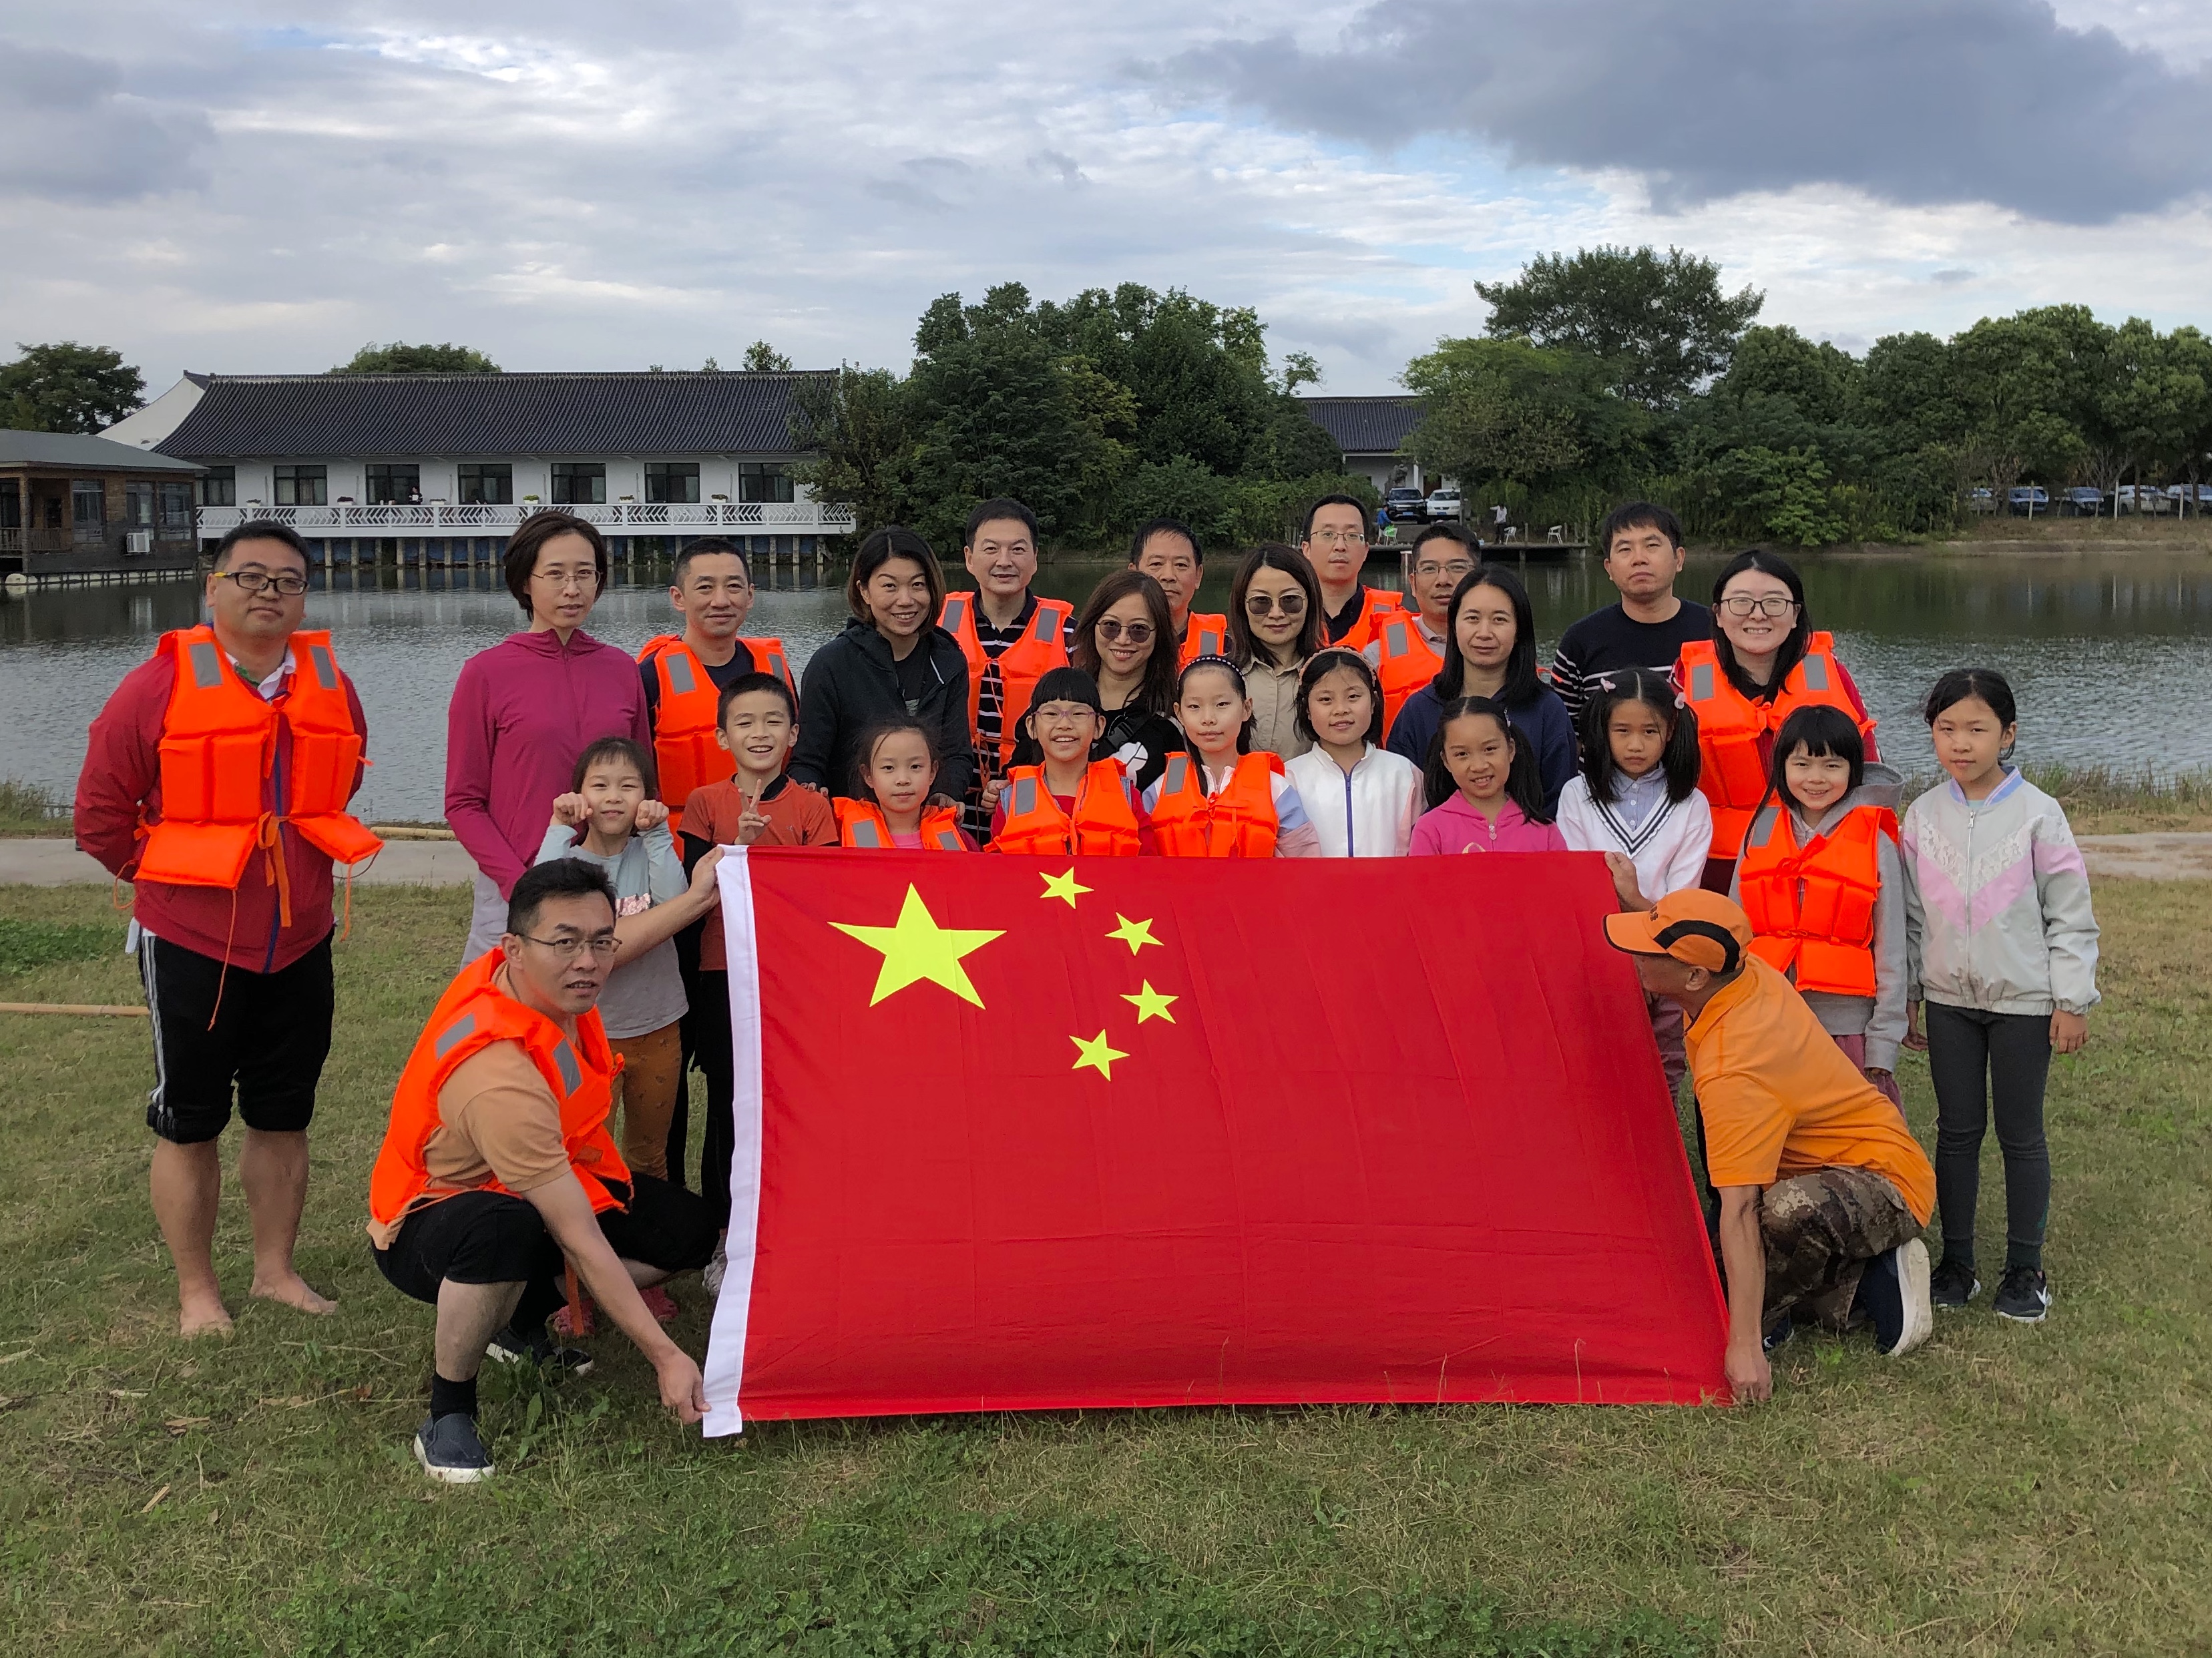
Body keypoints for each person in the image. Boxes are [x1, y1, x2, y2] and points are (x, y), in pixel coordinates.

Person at [75, 518, 378, 1338]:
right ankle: (197, 1291)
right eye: (250, 576)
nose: (269, 593)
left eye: (287, 581)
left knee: (284, 1112)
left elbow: (342, 780)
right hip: (193, 940)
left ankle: (276, 1272)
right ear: (214, 587)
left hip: (300, 935)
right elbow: (100, 814)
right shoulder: (156, 687)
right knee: (192, 1118)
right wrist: (172, 884)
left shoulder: (330, 684)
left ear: (304, 596)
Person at [368, 859, 717, 1482]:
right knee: (505, 1232)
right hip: (431, 1215)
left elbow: (608, 942)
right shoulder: (498, 1075)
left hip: (535, 1181)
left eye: (601, 942)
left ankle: (517, 1324)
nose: (588, 962)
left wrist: (696, 899)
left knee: (687, 1229)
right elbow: (578, 1235)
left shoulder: (546, 979)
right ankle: (449, 1412)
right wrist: (665, 1356)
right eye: (566, 943)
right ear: (515, 949)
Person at [1604, 889, 1936, 1404]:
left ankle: (1855, 1293)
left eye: (1648, 951)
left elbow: (1739, 1210)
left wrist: (1741, 1346)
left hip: (1885, 1182)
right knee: (1695, 1274)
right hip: (1821, 1166)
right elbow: (1697, 939)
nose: (1636, 957)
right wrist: (1635, 899)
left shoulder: (1736, 1065)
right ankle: (1850, 1280)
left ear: (1693, 978)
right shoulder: (1741, 969)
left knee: (1773, 1223)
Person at [1901, 669, 2099, 1324]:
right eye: (1945, 729)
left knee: (2020, 1134)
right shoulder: (1921, 816)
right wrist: (1910, 994)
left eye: (1976, 729)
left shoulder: (2039, 814)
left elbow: (2069, 915)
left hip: (2023, 1003)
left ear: (2006, 734)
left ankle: (2024, 1269)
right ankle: (1956, 1263)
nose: (1960, 743)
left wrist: (2070, 1000)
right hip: (1948, 1002)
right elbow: (1910, 917)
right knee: (1956, 1131)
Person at [532, 738, 725, 1321]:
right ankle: (577, 1282)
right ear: (579, 795)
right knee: (585, 1160)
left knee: (649, 1156)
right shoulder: (570, 861)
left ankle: (644, 1272)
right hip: (586, 1037)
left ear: (648, 797)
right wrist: (556, 827)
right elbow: (541, 898)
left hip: (658, 1027)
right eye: (599, 785)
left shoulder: (653, 852)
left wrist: (660, 832)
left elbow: (678, 902)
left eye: (628, 786)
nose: (613, 797)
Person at [675, 672, 835, 1291]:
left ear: (793, 733)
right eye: (744, 723)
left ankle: (791, 1222)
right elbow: (696, 894)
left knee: (790, 1100)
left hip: (790, 975)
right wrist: (734, 848)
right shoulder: (704, 803)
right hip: (723, 973)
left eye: (773, 722)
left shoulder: (811, 806)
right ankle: (725, 1233)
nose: (759, 733)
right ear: (722, 736)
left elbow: (819, 891)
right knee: (728, 1102)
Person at [447, 511, 653, 960]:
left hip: (612, 881)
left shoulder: (621, 669)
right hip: (516, 885)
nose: (572, 589)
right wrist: (517, 882)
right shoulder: (485, 673)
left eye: (585, 574)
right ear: (526, 581)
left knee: (610, 1001)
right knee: (506, 1001)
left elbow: (643, 780)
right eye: (556, 574)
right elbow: (463, 802)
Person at [1731, 708, 1907, 1111]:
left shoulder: (1875, 842)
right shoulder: (1759, 831)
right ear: (1781, 767)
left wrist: (1883, 1042)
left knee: (1856, 1133)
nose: (1815, 778)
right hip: (1769, 1021)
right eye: (1802, 764)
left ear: (1853, 769)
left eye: (1832, 765)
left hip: (1846, 1030)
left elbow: (1892, 950)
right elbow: (1734, 927)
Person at [1676, 549, 1877, 892]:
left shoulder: (1829, 673)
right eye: (1741, 602)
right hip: (1715, 863)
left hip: (1818, 855)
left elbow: (1869, 769)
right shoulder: (1687, 681)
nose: (1758, 615)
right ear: (1719, 614)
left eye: (1774, 602)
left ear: (1795, 614)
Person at [1554, 667, 1713, 1093]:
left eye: (1650, 731)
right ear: (1603, 731)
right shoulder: (1576, 795)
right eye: (1622, 731)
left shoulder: (1691, 805)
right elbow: (1578, 889)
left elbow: (1682, 902)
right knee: (1594, 1062)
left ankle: (1662, 1134)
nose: (1636, 745)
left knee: (1664, 1063)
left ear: (1671, 731)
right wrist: (1625, 959)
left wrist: (1635, 904)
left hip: (1667, 959)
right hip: (1597, 956)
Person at [791, 525, 973, 810]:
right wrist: (811, 796)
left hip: (925, 822)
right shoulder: (831, 665)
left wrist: (947, 793)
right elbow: (807, 762)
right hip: (853, 823)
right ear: (864, 591)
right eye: (890, 586)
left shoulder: (948, 660)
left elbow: (956, 753)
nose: (906, 600)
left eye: (918, 585)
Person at [634, 538, 792, 838]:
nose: (721, 601)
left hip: (768, 835)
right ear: (678, 598)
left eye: (733, 587)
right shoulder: (652, 675)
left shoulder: (774, 668)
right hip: (682, 842)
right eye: (705, 588)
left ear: (750, 595)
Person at [1387, 565, 1576, 813]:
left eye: (1499, 619)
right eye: (1472, 618)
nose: (1484, 633)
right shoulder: (1420, 710)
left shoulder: (1546, 710)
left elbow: (1561, 805)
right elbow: (1401, 806)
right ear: (1454, 626)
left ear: (1519, 630)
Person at [937, 499, 1072, 842]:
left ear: (1035, 559)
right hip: (948, 800)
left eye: (1018, 549)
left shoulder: (1069, 633)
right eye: (991, 549)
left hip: (1032, 798)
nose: (1004, 561)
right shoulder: (936, 626)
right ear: (969, 558)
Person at [1549, 503, 1713, 725]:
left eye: (1651, 545)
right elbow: (1566, 732)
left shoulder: (1714, 632)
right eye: (1625, 549)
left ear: (1679, 559)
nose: (1639, 559)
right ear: (1609, 568)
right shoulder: (1580, 642)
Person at [1142, 657, 1320, 856]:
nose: (1208, 718)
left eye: (1221, 704)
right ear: (1179, 714)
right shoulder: (1164, 786)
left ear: (1246, 708)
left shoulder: (1274, 787)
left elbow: (1306, 861)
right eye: (1194, 707)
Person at [989, 666, 1146, 856]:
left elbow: (1151, 867)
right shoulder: (1012, 799)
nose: (1064, 724)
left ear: (1099, 726)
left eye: (1078, 714)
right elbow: (995, 870)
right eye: (1051, 714)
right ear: (1032, 727)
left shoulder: (1127, 796)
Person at [1283, 649, 1422, 857]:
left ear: (1373, 702)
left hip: (1392, 879)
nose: (1341, 709)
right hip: (1313, 880)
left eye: (1353, 697)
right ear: (1307, 709)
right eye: (1326, 699)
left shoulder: (1403, 773)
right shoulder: (1288, 779)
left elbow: (1420, 850)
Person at [1069, 569, 1186, 792]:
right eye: (1111, 626)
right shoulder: (1057, 702)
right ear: (1093, 625)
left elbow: (1179, 795)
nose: (1123, 640)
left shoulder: (1175, 720)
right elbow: (1023, 775)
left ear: (1159, 635)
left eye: (1139, 630)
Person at [1407, 697, 1567, 856]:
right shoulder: (1430, 830)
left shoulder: (1545, 831)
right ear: (1446, 761)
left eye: (1489, 749)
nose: (1479, 766)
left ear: (1511, 750)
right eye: (1462, 754)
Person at [1365, 524, 1473, 742]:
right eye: (1429, 569)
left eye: (1457, 567)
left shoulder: (1502, 647)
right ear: (1413, 584)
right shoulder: (1380, 654)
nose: (1443, 580)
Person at [1227, 543, 1326, 760]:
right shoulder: (1219, 676)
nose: (1276, 613)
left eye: (1290, 600)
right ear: (1242, 605)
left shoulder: (1332, 675)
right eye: (1261, 602)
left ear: (1310, 601)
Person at [833, 717, 975, 849]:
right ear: (868, 775)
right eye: (889, 768)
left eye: (915, 767)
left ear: (932, 772)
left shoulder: (958, 837)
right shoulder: (839, 835)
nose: (903, 780)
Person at [1299, 494, 1405, 650]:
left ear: (1366, 551)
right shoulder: (1289, 614)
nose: (1340, 546)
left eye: (1352, 536)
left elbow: (1402, 661)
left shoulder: (1394, 617)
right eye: (1328, 534)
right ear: (1307, 549)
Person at [1129, 517, 1226, 665]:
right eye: (1156, 564)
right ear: (1133, 574)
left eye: (1181, 565)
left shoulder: (1225, 646)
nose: (1169, 576)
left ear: (1198, 576)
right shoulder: (1113, 639)